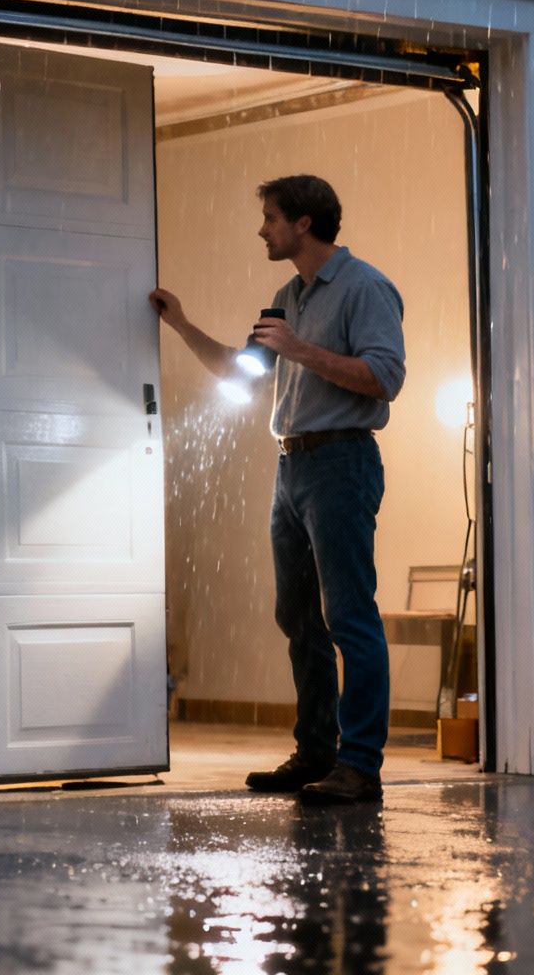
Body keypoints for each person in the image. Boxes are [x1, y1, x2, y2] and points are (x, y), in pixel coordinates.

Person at [151, 174, 406, 806]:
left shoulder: (365, 288)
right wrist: (181, 325)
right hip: (291, 466)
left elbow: (385, 377)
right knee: (296, 615)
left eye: (270, 217)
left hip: (342, 461)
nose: (262, 228)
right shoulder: (285, 294)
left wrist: (300, 348)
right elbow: (244, 373)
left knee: (349, 615)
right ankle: (317, 750)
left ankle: (361, 765)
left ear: (304, 223)